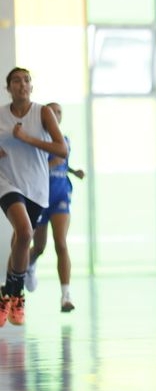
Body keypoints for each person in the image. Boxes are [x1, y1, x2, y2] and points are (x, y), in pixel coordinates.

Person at [0, 68, 68, 326]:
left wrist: (27, 139)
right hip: (6, 182)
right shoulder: (1, 114)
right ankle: (17, 295)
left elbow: (61, 149)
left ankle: (7, 293)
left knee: (20, 240)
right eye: (16, 81)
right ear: (9, 87)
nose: (22, 84)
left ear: (31, 86)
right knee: (25, 232)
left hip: (37, 188)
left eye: (26, 80)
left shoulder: (43, 113)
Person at [25, 102, 85, 312]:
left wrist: (73, 171)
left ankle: (65, 296)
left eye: (59, 112)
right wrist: (52, 164)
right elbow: (36, 166)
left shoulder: (64, 140)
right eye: (52, 111)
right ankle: (30, 264)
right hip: (40, 197)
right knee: (39, 247)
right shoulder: (37, 140)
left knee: (60, 242)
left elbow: (62, 162)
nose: (56, 115)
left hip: (61, 196)